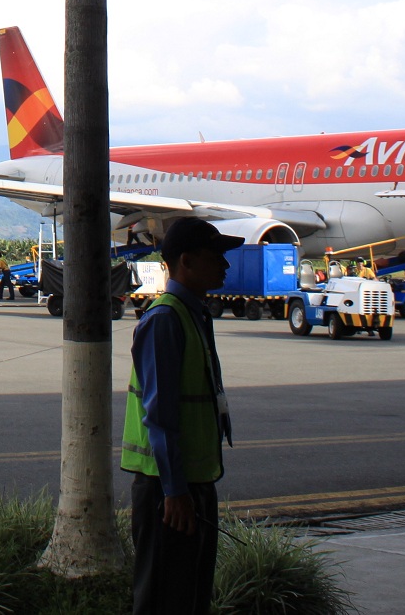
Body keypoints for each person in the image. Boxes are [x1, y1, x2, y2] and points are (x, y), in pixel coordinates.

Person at [123, 217, 241, 615]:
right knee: (163, 597)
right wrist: (175, 491)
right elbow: (160, 414)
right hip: (167, 489)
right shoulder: (165, 319)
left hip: (194, 483)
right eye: (217, 257)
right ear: (187, 261)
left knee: (189, 596)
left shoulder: (194, 315)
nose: (225, 266)